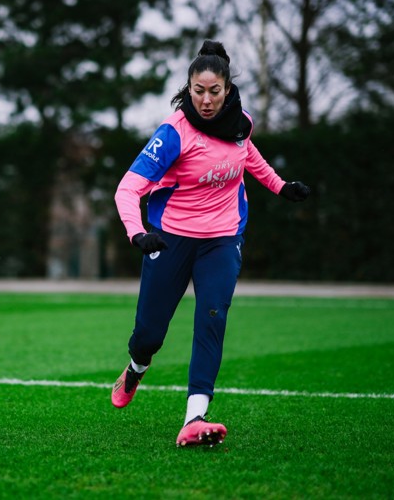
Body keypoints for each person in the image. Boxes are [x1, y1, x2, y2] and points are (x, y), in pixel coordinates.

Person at [111, 40, 310, 447]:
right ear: (188, 88)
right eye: (197, 91)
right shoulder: (173, 134)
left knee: (212, 317)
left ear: (227, 88)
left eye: (213, 91)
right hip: (169, 240)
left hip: (222, 238)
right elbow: (126, 190)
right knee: (149, 334)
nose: (205, 100)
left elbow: (245, 153)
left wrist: (279, 186)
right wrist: (138, 233)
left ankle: (195, 415)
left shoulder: (240, 122)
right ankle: (135, 367)